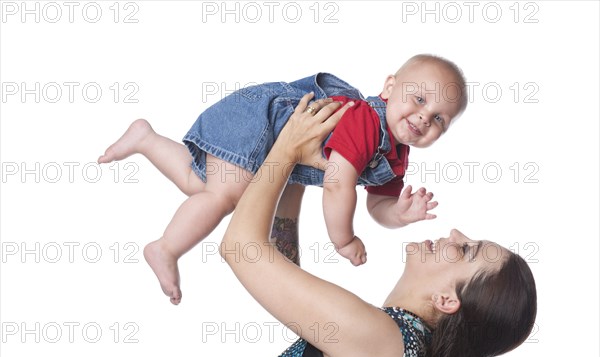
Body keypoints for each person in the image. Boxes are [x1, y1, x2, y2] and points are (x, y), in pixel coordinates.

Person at [220, 93, 538, 357]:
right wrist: (296, 179)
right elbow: (283, 280)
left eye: (465, 250)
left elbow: (239, 248)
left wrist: (286, 150)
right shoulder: (407, 355)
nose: (454, 233)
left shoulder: (381, 341)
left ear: (446, 300)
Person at [98, 54, 467, 305]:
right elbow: (338, 183)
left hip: (272, 143)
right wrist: (344, 239)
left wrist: (398, 215)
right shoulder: (366, 122)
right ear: (389, 88)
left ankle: (144, 138)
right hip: (257, 123)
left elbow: (377, 205)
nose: (423, 118)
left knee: (199, 187)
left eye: (438, 119)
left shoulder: (396, 156)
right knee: (221, 198)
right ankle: (164, 248)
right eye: (418, 99)